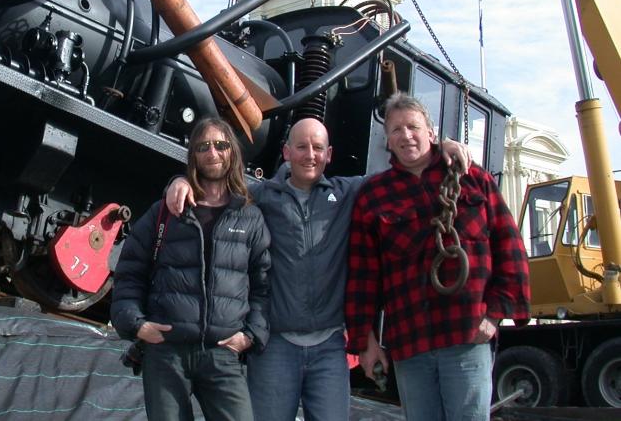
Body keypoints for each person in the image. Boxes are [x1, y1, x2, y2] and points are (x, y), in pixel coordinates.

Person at [166, 117, 470, 421]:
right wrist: (179, 181)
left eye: (317, 148)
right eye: (301, 147)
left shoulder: (349, 193)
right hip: (275, 347)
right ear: (286, 152)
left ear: (329, 155)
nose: (309, 155)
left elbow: (398, 174)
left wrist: (439, 146)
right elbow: (215, 191)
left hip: (329, 348)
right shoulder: (260, 197)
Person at [345, 92, 530, 421]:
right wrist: (366, 341)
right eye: (396, 130)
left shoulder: (473, 179)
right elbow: (364, 277)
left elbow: (510, 247)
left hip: (467, 333)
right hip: (410, 343)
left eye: (413, 127)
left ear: (431, 133)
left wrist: (495, 315)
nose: (406, 135)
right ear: (387, 140)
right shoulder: (373, 197)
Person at [111, 117, 271, 421]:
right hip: (166, 350)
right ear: (193, 155)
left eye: (221, 145)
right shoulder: (166, 211)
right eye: (204, 146)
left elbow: (263, 286)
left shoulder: (250, 218)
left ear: (232, 153)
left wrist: (250, 335)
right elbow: (129, 272)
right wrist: (135, 324)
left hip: (223, 353)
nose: (213, 152)